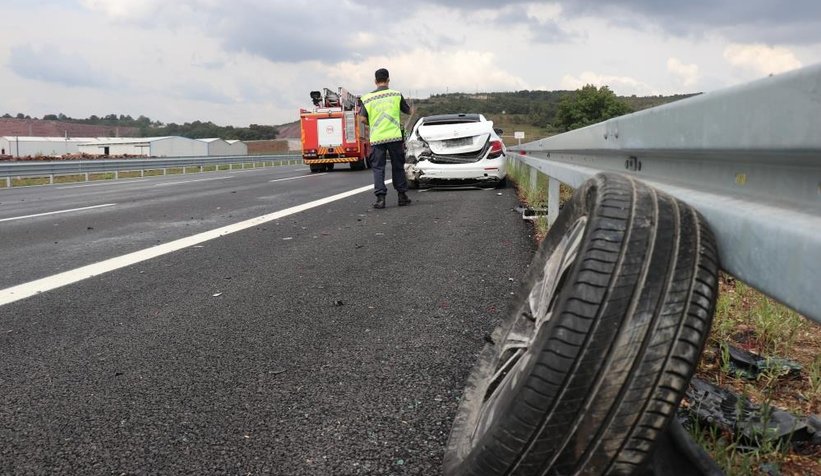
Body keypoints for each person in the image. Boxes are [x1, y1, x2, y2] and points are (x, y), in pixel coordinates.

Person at [358, 68, 412, 209]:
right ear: (388, 80)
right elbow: (408, 111)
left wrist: (374, 124)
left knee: (378, 168)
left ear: (375, 81)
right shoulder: (396, 95)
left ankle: (380, 199)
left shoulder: (367, 98)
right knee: (398, 167)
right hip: (394, 136)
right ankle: (402, 196)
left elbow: (362, 118)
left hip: (377, 138)